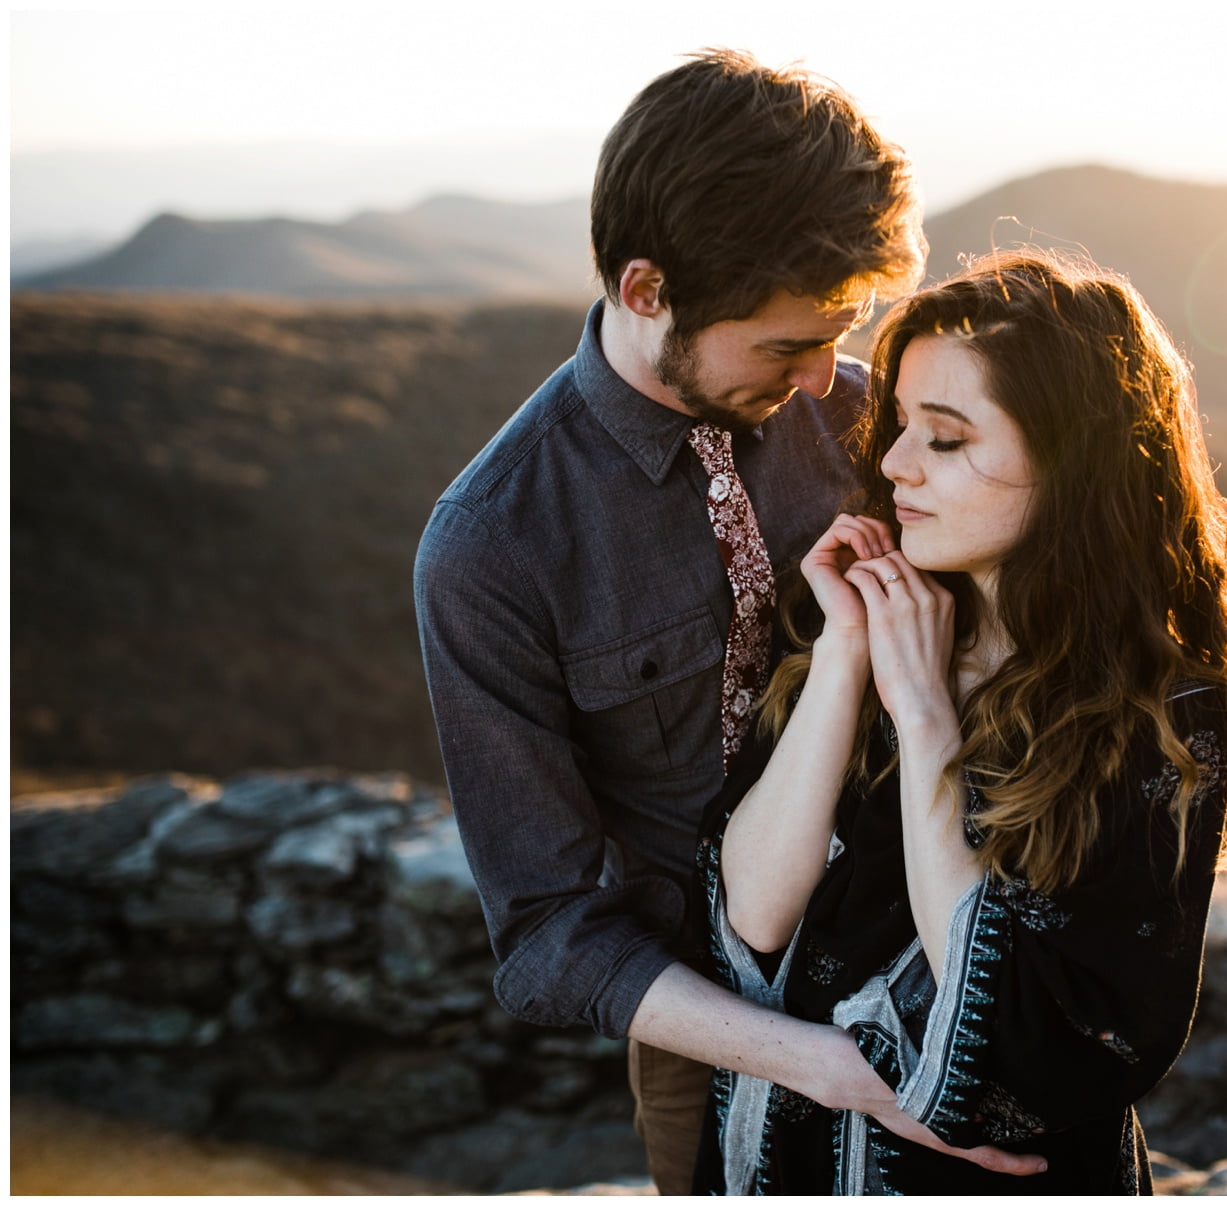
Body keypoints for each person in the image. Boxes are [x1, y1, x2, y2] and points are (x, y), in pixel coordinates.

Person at [414, 50, 1043, 1194]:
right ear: (646, 290)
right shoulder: (492, 547)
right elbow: (550, 932)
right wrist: (825, 1067)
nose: (824, 380)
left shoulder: (876, 424)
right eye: (785, 345)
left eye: (840, 333)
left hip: (956, 968)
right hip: (719, 1046)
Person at [694, 249, 1227, 1194]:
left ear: (1072, 461)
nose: (894, 464)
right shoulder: (862, 623)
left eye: (946, 440)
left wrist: (925, 721)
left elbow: (1040, 1042)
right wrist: (845, 656)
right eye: (900, 425)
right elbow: (754, 917)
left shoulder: (1158, 719)